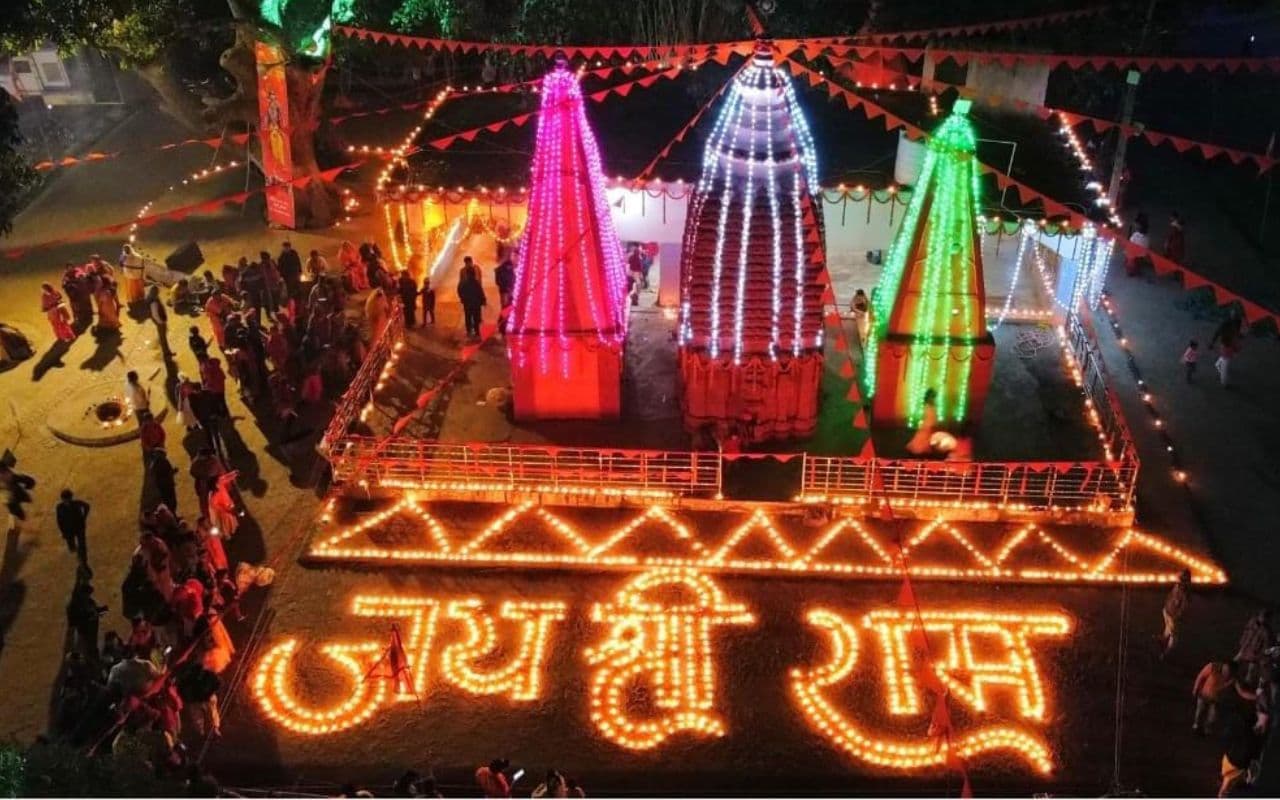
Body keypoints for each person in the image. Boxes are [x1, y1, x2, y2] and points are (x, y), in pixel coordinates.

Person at [66, 578, 107, 660]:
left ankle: (83, 656)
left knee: (86, 643)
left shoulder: (88, 601)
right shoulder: (79, 604)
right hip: (84, 628)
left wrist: (100, 610)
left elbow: (92, 611)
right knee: (82, 644)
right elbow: (79, 618)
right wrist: (94, 615)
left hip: (90, 627)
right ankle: (77, 657)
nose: (89, 595)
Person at [1194, 660, 1238, 735]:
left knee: (1212, 717)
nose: (1226, 672)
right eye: (1226, 670)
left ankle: (1206, 727)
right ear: (1224, 666)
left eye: (1228, 671)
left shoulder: (1231, 678)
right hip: (1204, 694)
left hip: (1215, 699)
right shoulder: (1213, 667)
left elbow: (1222, 689)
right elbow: (1201, 676)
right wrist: (1196, 688)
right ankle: (1196, 724)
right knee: (1200, 711)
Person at [1236, 611, 1274, 686]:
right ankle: (1230, 674)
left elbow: (1266, 644)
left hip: (1255, 651)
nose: (1263, 619)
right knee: (1237, 660)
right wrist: (1243, 641)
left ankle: (1246, 683)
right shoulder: (1252, 622)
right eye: (1262, 617)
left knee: (1251, 669)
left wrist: (1262, 653)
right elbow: (1246, 631)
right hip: (1246, 647)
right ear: (1259, 616)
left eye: (1265, 618)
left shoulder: (1267, 631)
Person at [1161, 569, 1192, 658]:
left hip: (1173, 615)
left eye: (1178, 576)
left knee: (1173, 636)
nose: (1176, 577)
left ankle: (1167, 652)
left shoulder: (1184, 591)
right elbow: (1171, 596)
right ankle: (1163, 640)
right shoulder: (1177, 586)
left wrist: (1176, 616)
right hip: (1168, 612)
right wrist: (1165, 607)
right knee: (1168, 628)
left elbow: (1184, 607)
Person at [1210, 313, 1245, 387]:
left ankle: (1219, 366)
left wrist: (1212, 343)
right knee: (1226, 362)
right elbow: (1218, 332)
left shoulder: (1232, 322)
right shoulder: (1231, 323)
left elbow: (1218, 332)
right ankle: (1224, 381)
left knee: (1225, 359)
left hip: (1229, 343)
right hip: (1228, 344)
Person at [56, 489, 90, 562]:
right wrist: (63, 531)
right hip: (69, 529)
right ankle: (77, 551)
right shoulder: (60, 507)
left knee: (82, 543)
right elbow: (59, 521)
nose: (66, 501)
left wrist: (84, 517)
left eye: (67, 499)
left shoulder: (74, 504)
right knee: (72, 547)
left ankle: (82, 556)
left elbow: (87, 506)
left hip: (78, 527)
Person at [0, 464, 36, 534]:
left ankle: (25, 526)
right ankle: (24, 527)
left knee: (18, 513)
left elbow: (27, 480)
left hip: (15, 497)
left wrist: (29, 486)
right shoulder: (10, 479)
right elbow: (28, 480)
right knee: (18, 513)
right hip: (12, 499)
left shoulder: (13, 478)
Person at [906, 389, 938, 455]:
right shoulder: (927, 406)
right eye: (933, 397)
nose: (934, 398)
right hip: (927, 423)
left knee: (927, 437)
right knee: (923, 436)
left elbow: (933, 416)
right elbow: (927, 415)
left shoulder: (932, 406)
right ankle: (919, 449)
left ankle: (923, 449)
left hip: (930, 423)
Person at [147, 447, 179, 513]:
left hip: (161, 486)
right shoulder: (164, 461)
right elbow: (169, 472)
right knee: (172, 500)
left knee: (166, 500)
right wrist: (175, 470)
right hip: (168, 484)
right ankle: (173, 514)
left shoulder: (153, 464)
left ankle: (169, 513)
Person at [458, 269, 487, 339]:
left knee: (468, 317)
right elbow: (480, 292)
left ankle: (469, 331)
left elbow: (460, 291)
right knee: (476, 318)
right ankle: (477, 332)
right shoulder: (476, 283)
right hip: (476, 304)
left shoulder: (464, 283)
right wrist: (483, 300)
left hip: (467, 303)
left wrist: (462, 299)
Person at [146, 286, 170, 354]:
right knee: (163, 337)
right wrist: (161, 322)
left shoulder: (152, 298)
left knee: (163, 335)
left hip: (159, 320)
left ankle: (165, 350)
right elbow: (155, 314)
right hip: (160, 322)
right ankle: (166, 351)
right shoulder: (154, 303)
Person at [1125, 211, 1150, 276]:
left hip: (1136, 253)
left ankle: (1131, 267)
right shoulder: (1147, 236)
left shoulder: (1135, 235)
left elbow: (1130, 243)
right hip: (1142, 254)